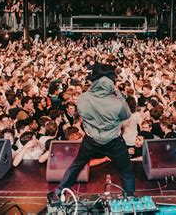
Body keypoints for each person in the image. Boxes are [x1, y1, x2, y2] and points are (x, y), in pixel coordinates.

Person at [55, 64, 135, 197]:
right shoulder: (118, 103)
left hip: (91, 140)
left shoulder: (82, 99)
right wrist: (118, 94)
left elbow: (83, 115)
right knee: (126, 171)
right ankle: (131, 201)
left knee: (77, 164)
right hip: (113, 142)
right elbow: (126, 115)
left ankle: (59, 191)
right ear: (112, 82)